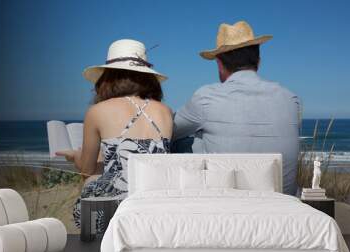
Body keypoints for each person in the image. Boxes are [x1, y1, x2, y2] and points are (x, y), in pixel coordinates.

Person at [57, 39, 173, 234]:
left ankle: (96, 245)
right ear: (148, 78)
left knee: (90, 181)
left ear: (107, 77)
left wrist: (75, 156)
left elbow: (87, 169)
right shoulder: (165, 111)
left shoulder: (98, 111)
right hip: (156, 199)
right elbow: (140, 159)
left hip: (117, 205)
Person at [173, 21, 300, 195]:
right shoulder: (290, 99)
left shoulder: (207, 98)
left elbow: (168, 131)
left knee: (186, 142)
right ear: (259, 61)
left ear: (219, 63)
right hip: (282, 205)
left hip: (229, 207)